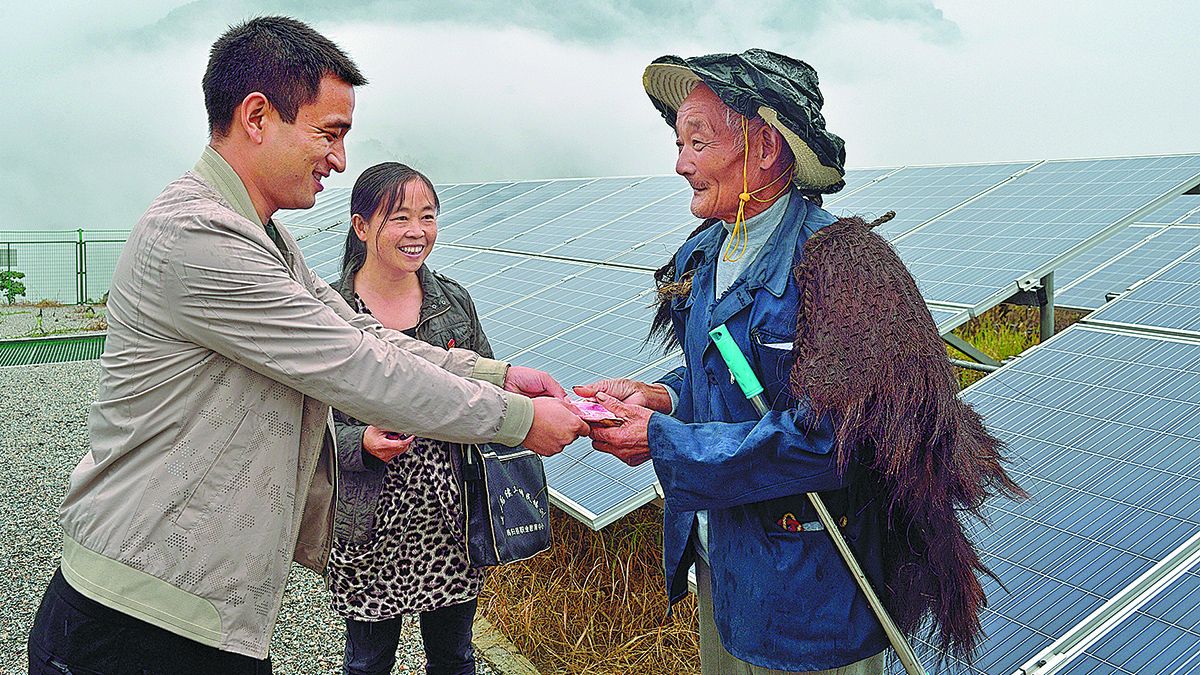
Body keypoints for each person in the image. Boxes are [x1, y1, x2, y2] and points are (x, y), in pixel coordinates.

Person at [26, 16, 588, 675]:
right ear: (257, 117)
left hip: (195, 612)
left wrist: (497, 376)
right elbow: (355, 367)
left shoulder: (262, 234)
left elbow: (361, 332)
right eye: (330, 132)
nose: (340, 160)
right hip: (137, 622)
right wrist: (518, 420)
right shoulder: (199, 236)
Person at [580, 49, 1024, 674]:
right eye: (679, 144)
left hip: (813, 591)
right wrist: (666, 398)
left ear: (764, 148)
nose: (680, 164)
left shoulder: (843, 270)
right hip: (727, 568)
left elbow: (840, 439)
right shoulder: (703, 256)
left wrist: (664, 441)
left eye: (698, 143)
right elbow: (725, 374)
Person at [326, 163, 497, 675]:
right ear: (361, 227)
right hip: (368, 522)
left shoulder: (453, 302)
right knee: (368, 662)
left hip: (450, 519)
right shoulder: (329, 311)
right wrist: (359, 442)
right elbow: (304, 420)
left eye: (428, 216)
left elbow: (485, 388)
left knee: (454, 657)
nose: (417, 231)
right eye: (399, 217)